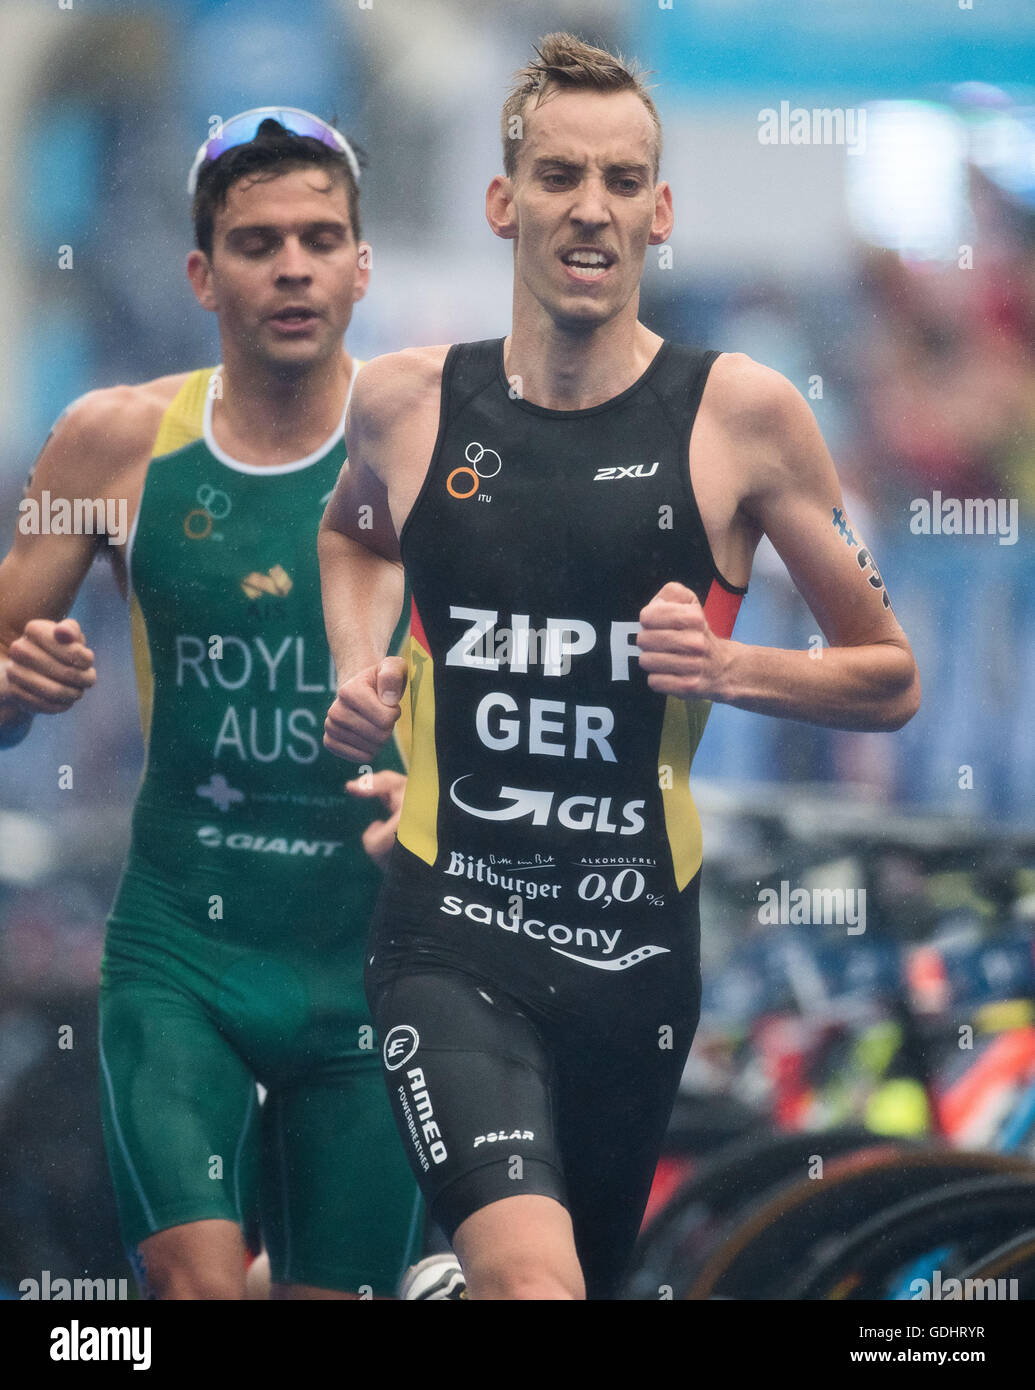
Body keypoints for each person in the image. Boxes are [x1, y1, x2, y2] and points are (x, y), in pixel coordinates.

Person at [319, 34, 921, 1301]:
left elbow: (888, 673)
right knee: (540, 1284)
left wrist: (731, 665)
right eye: (557, 175)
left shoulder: (742, 415)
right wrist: (362, 667)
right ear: (505, 203)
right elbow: (353, 532)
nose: (589, 204)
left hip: (635, 955)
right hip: (450, 930)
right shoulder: (409, 400)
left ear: (660, 213)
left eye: (621, 178)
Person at [0, 110, 420, 1299]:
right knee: (198, 1288)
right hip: (184, 956)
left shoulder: (442, 444)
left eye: (321, 238)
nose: (292, 266)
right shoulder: (112, 445)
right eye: (257, 242)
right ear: (202, 273)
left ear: (360, 264)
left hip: (371, 967)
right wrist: (13, 691)